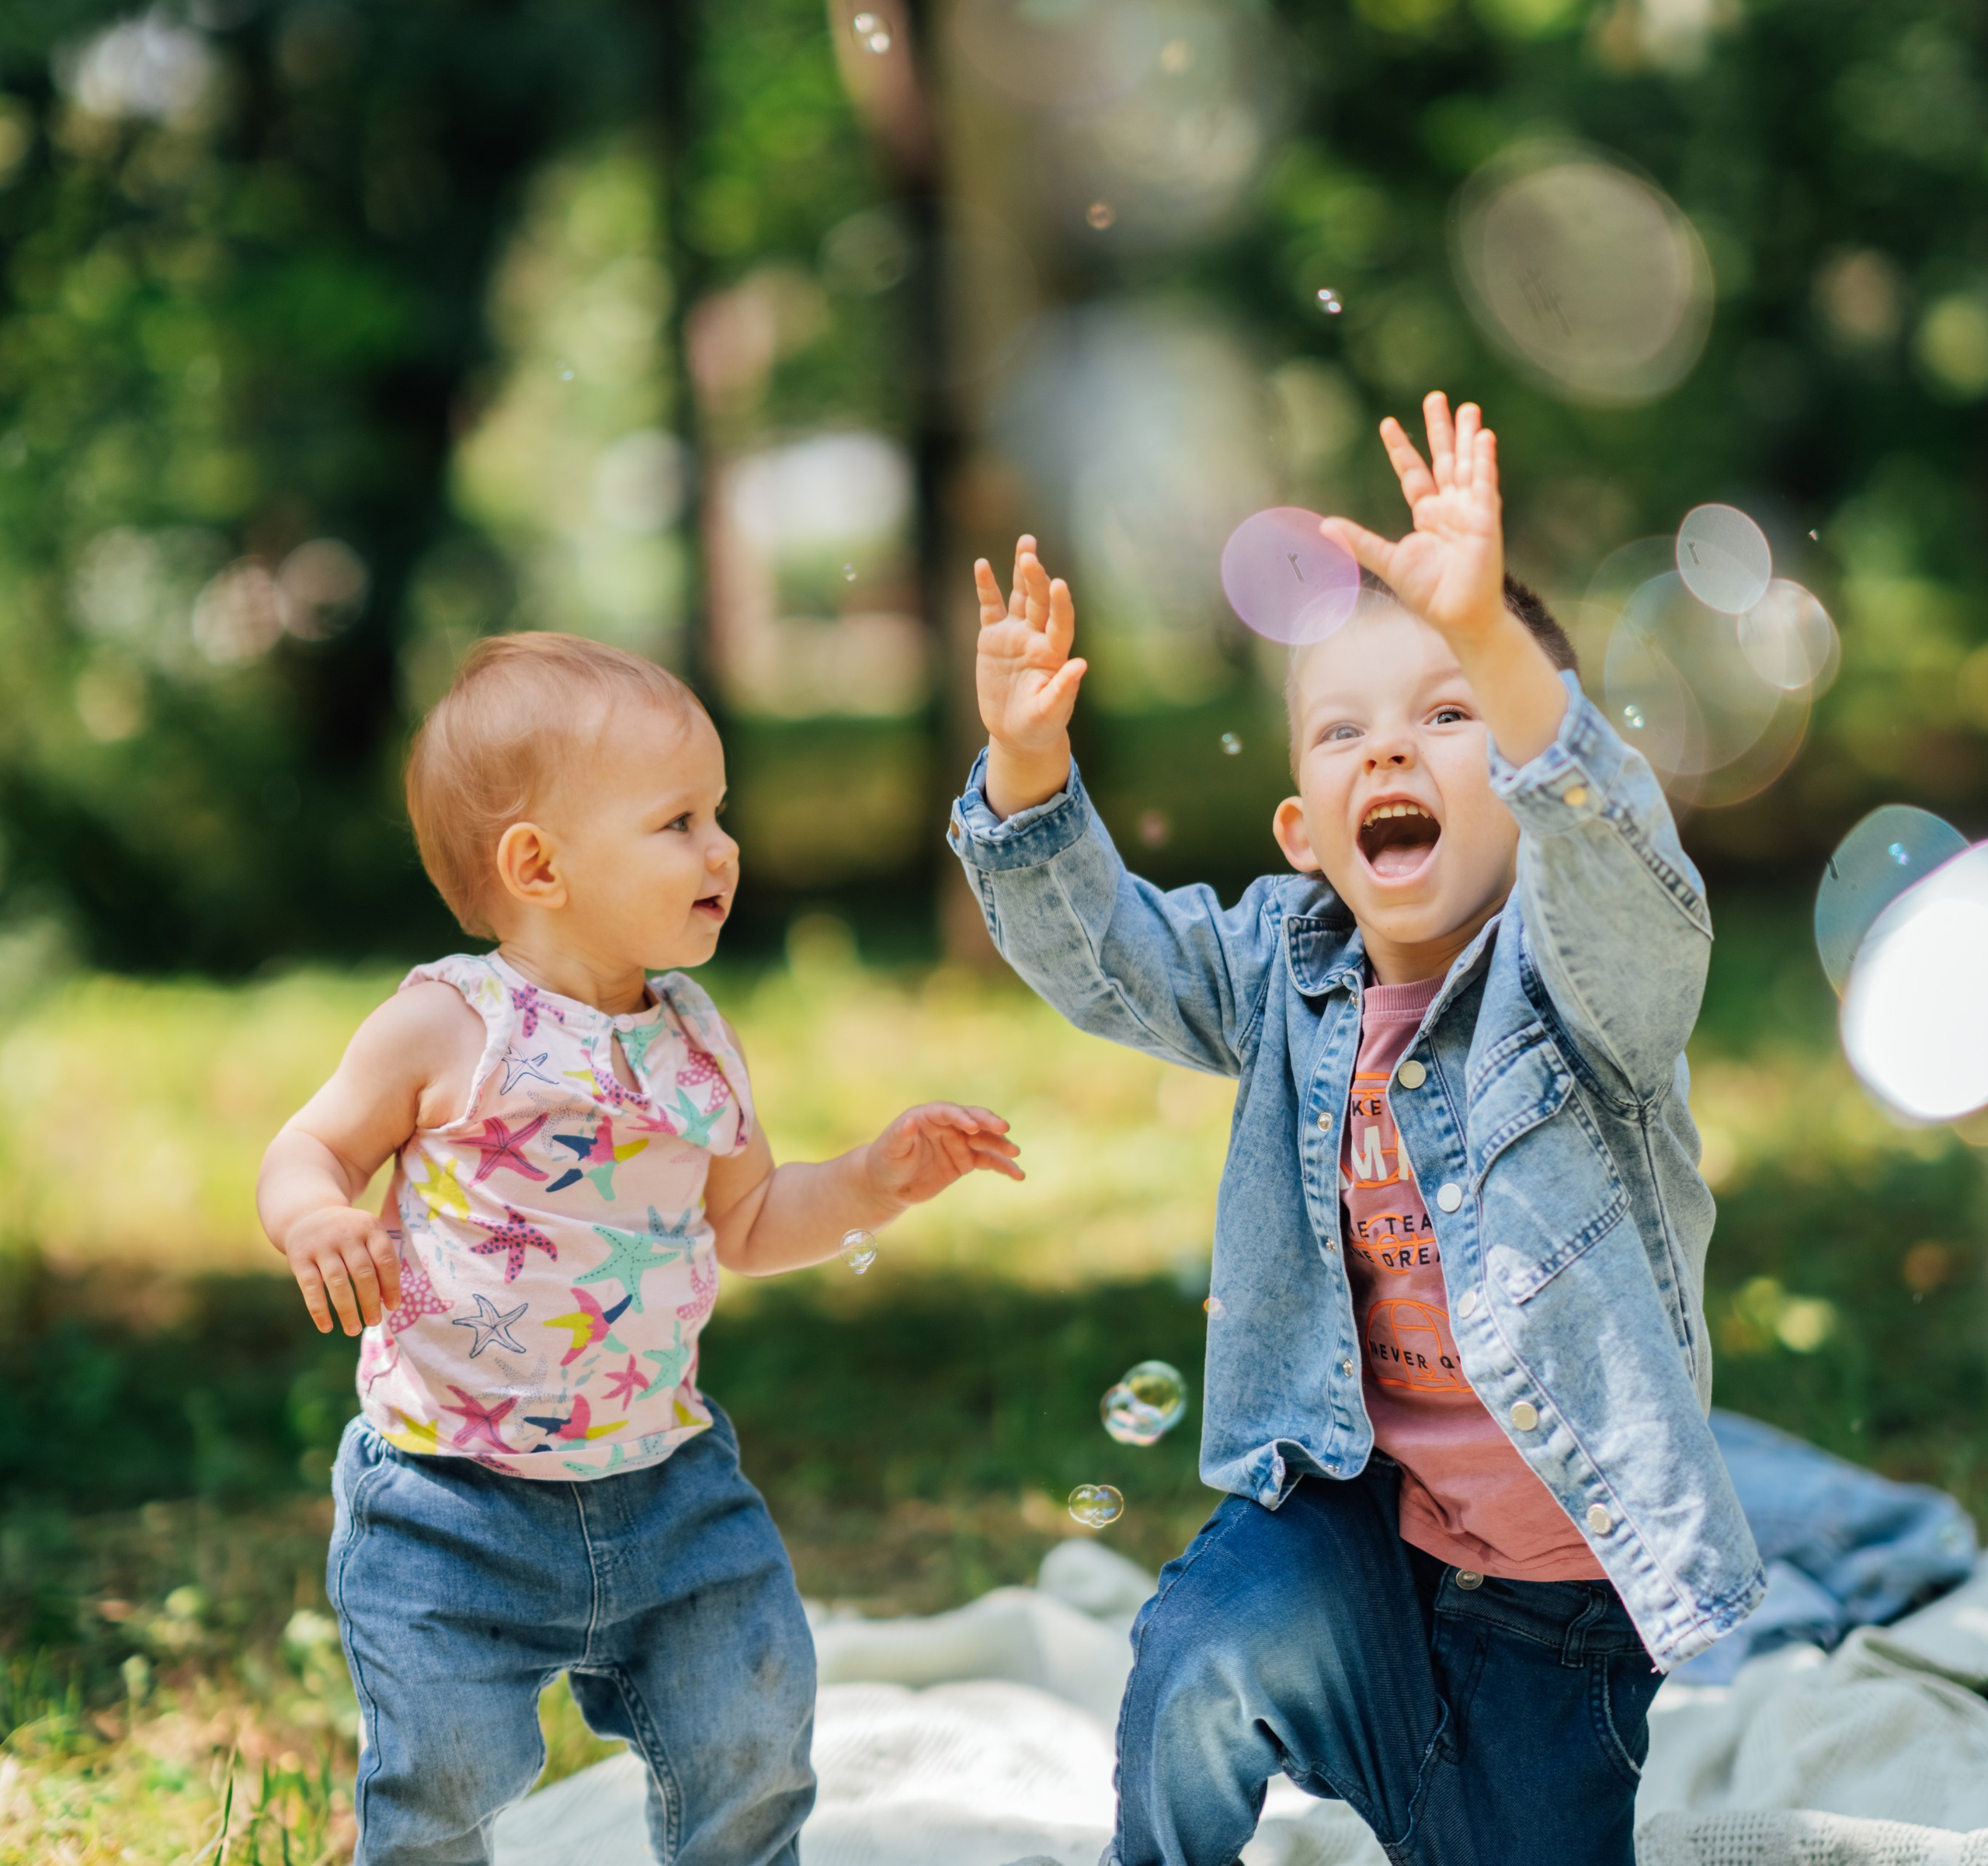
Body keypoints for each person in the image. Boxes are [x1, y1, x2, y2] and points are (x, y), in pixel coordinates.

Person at [952, 394, 1764, 1866]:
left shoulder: (1582, 987)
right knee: (1197, 1660)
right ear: (1300, 829)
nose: (1391, 753)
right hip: (1352, 1527)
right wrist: (1024, 775)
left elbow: (1615, 866)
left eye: (1447, 717)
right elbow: (1110, 955)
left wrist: (1499, 649)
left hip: (1557, 1610)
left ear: (1519, 791)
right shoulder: (1283, 964)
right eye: (1345, 733)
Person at [257, 631, 1024, 1866]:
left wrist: (877, 1180)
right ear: (537, 865)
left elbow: (754, 1219)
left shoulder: (697, 1039)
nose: (723, 847)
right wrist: (316, 1217)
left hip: (669, 1485)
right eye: (678, 821)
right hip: (451, 1496)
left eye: (719, 815)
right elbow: (310, 1147)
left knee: (753, 1730)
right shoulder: (448, 1025)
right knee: (443, 1781)